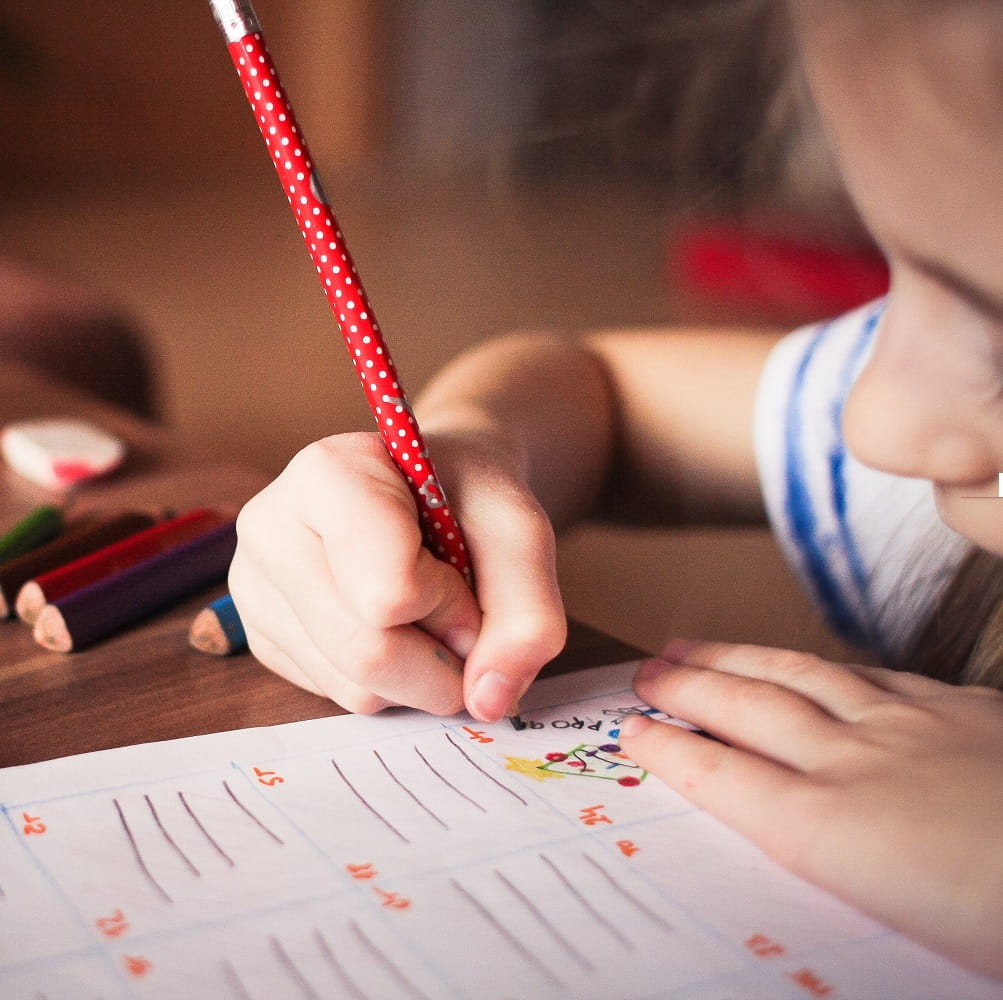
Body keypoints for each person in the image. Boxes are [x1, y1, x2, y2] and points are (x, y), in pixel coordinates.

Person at [228, 0, 1003, 980]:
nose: (869, 421)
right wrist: (476, 449)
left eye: (994, 333)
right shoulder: (942, 456)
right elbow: (600, 391)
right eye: (895, 278)